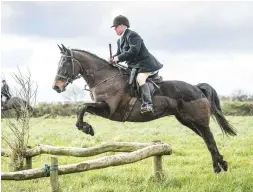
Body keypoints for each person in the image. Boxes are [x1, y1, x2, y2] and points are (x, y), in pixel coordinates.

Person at [109, 15, 163, 114]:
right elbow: (119, 53)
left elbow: (134, 51)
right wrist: (113, 58)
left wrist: (118, 58)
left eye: (115, 27)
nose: (115, 29)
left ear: (122, 26)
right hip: (134, 66)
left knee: (140, 79)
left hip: (145, 64)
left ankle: (148, 104)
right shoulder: (119, 40)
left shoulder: (132, 35)